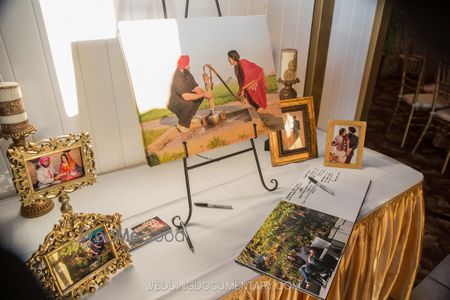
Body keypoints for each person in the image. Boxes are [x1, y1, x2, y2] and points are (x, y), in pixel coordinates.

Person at [167, 55, 215, 133]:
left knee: (199, 97)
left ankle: (189, 117)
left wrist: (205, 94)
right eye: (187, 64)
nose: (189, 66)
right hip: (173, 102)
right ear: (184, 65)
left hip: (182, 98)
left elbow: (196, 88)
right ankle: (181, 124)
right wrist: (203, 94)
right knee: (189, 103)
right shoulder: (177, 77)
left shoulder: (187, 73)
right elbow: (186, 96)